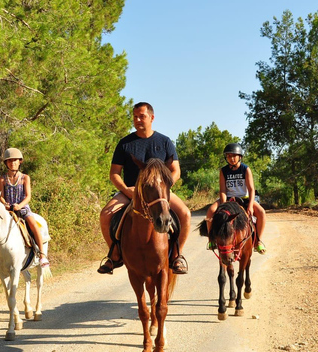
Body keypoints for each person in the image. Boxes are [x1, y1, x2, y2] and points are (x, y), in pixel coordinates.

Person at [97, 102, 191, 274]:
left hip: (158, 192)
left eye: (142, 116)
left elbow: (176, 170)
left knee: (185, 214)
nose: (138, 120)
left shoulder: (164, 142)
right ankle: (114, 254)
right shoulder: (125, 144)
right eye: (135, 117)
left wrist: (163, 187)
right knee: (105, 215)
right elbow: (114, 174)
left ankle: (177, 255)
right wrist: (127, 190)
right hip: (131, 191)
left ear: (152, 118)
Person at [0, 147, 49, 269]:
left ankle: (42, 254)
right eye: (9, 161)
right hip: (8, 209)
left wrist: (19, 205)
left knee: (33, 224)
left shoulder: (25, 178)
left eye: (15, 160)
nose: (12, 163)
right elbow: (1, 196)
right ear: (6, 163)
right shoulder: (2, 179)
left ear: (20, 161)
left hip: (23, 208)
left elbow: (28, 196)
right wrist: (5, 204)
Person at [205, 143, 267, 254]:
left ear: (240, 157)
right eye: (229, 156)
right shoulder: (223, 171)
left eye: (234, 156)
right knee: (211, 211)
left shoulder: (245, 169)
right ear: (226, 158)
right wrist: (224, 205)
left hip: (245, 198)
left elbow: (251, 189)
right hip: (228, 199)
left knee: (261, 212)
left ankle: (258, 241)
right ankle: (211, 240)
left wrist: (250, 205)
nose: (232, 158)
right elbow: (223, 190)